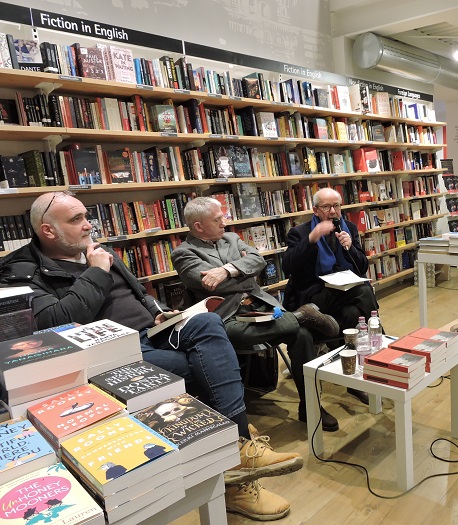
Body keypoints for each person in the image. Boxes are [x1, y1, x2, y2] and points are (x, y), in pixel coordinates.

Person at [0, 191, 300, 521]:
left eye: (86, 216)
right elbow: (50, 326)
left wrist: (158, 312)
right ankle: (232, 457)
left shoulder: (100, 252)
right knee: (189, 365)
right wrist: (97, 272)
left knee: (208, 322)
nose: (88, 225)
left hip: (152, 333)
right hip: (108, 354)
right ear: (48, 231)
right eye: (76, 220)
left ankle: (237, 444)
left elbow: (140, 293)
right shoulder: (22, 271)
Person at [170, 197, 342, 432]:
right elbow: (208, 284)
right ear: (198, 226)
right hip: (225, 317)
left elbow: (258, 261)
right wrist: (243, 274)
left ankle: (310, 405)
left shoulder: (231, 238)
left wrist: (226, 270)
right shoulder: (183, 253)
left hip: (260, 305)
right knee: (282, 327)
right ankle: (301, 315)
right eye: (218, 219)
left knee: (301, 336)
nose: (224, 223)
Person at [282, 187, 379, 331]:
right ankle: (379, 337)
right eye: (326, 207)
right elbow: (287, 267)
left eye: (336, 206)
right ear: (315, 210)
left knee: (351, 314)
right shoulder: (300, 233)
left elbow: (362, 267)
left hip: (345, 291)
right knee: (363, 290)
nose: (333, 211)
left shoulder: (349, 228)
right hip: (314, 294)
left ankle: (348, 350)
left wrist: (350, 247)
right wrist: (311, 239)